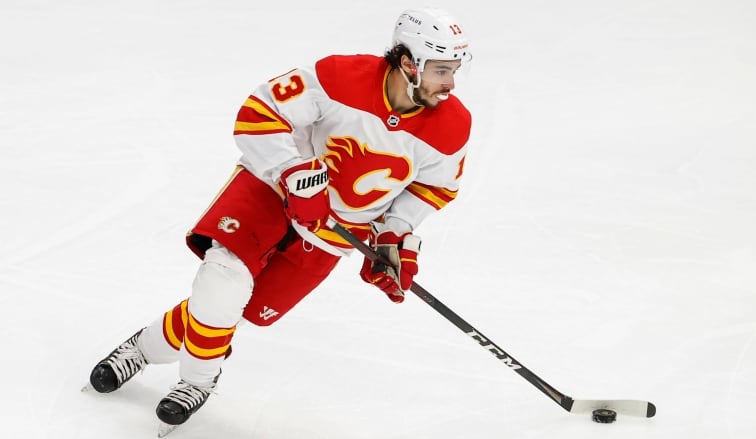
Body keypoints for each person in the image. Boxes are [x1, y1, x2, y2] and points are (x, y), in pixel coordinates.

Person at [87, 6, 472, 432]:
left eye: (454, 70)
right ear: (408, 63)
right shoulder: (339, 76)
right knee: (222, 280)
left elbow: (432, 189)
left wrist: (392, 238)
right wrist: (292, 174)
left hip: (335, 231)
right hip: (270, 192)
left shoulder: (453, 125)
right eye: (441, 70)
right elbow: (259, 112)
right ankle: (196, 381)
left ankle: (143, 347)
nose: (451, 84)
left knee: (237, 310)